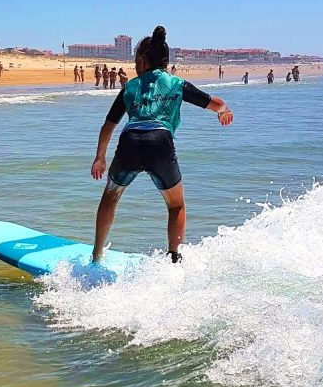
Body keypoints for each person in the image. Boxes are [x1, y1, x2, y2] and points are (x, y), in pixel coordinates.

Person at [91, 26, 233, 265]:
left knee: (111, 196)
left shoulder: (130, 87)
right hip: (161, 143)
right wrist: (223, 112)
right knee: (176, 205)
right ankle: (174, 260)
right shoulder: (177, 84)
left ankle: (96, 257)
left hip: (130, 142)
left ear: (142, 61)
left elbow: (108, 126)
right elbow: (215, 103)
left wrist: (100, 158)